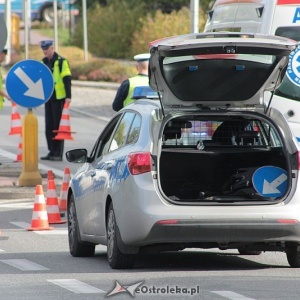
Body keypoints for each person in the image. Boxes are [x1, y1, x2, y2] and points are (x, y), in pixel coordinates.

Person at [39, 40, 72, 161]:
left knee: (58, 126)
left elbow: (67, 79)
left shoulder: (61, 62)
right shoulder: (43, 62)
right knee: (49, 126)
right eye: (43, 49)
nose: (45, 51)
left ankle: (58, 153)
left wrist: (68, 97)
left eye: (46, 49)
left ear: (52, 48)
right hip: (48, 98)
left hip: (59, 98)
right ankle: (51, 151)